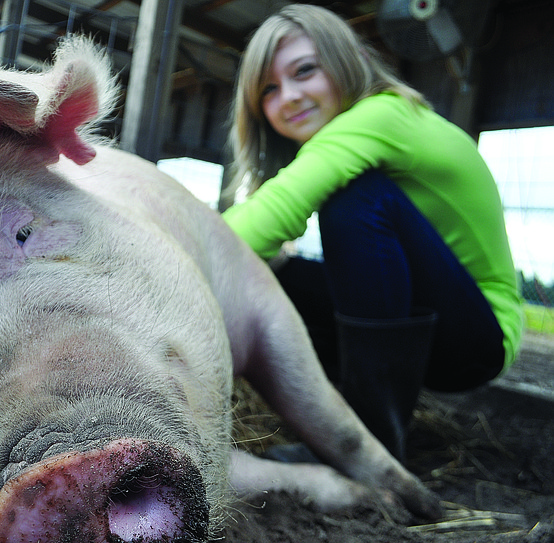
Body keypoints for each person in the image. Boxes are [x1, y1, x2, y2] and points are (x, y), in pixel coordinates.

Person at [221, 4, 522, 463]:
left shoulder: (383, 115)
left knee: (356, 200)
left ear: (355, 60)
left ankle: (367, 444)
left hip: (478, 339)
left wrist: (167, 266)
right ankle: (341, 407)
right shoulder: (356, 133)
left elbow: (272, 214)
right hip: (430, 324)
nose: (290, 97)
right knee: (279, 272)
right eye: (269, 89)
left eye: (305, 71)